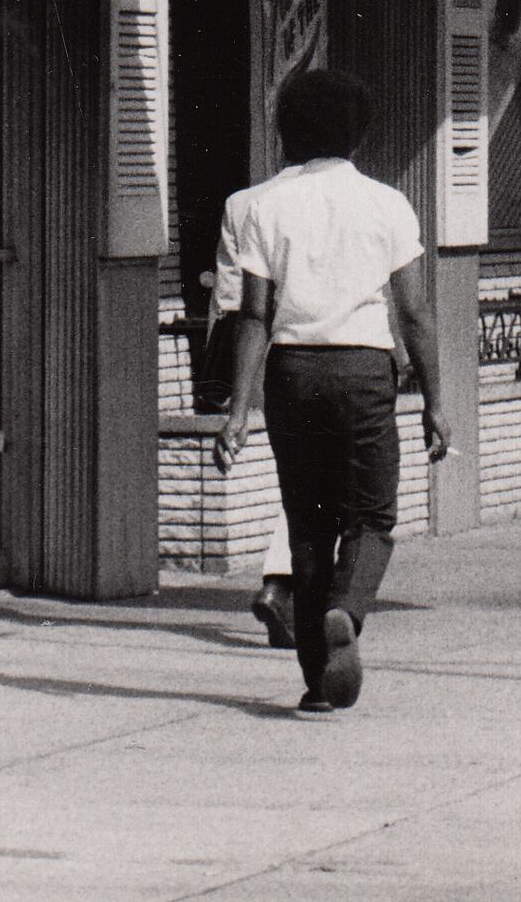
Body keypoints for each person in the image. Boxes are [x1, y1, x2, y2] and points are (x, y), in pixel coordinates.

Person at [213, 69, 451, 714]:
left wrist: (238, 410)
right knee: (372, 516)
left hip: (292, 375)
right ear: (357, 133)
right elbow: (417, 313)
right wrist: (435, 400)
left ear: (288, 132)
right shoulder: (388, 203)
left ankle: (318, 683)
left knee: (308, 528)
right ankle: (348, 608)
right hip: (364, 371)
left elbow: (253, 316)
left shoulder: (263, 207)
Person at [204, 164, 305, 652]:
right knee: (320, 480)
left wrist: (235, 396)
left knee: (298, 476)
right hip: (315, 353)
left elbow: (230, 301)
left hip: (256, 354)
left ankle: (284, 584)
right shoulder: (336, 198)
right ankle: (283, 584)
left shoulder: (241, 202)